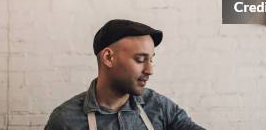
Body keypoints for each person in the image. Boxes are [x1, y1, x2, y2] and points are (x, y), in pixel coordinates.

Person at [44, 19, 205, 130]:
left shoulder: (159, 107)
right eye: (140, 59)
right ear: (108, 58)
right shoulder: (65, 120)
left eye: (151, 59)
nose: (150, 70)